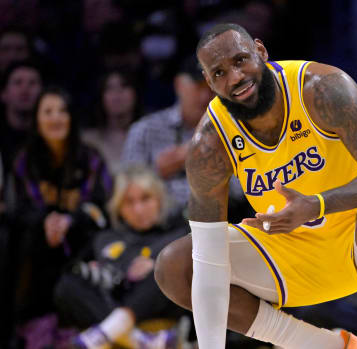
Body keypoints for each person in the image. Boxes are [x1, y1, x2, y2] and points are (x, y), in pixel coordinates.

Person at [154, 23, 357, 349]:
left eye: (240, 61)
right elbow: (208, 263)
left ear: (261, 51)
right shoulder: (209, 144)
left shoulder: (320, 88)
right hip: (294, 252)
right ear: (208, 82)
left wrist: (316, 204)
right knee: (176, 266)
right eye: (218, 73)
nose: (234, 78)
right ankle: (322, 346)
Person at [6, 87, 112, 336]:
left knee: (96, 236)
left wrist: (70, 220)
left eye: (63, 111)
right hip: (38, 242)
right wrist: (46, 221)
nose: (56, 118)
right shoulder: (24, 160)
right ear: (37, 120)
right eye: (48, 112)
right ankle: (24, 326)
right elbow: (19, 209)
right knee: (20, 237)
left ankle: (91, 322)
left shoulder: (91, 159)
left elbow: (101, 210)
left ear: (73, 118)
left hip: (81, 239)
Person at [54, 165, 188, 349]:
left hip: (156, 302)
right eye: (129, 202)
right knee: (66, 285)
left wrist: (157, 263)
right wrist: (97, 271)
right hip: (111, 300)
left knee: (169, 270)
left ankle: (111, 331)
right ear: (118, 207)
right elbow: (76, 271)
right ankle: (136, 338)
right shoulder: (105, 238)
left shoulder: (180, 233)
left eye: (145, 198)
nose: (138, 209)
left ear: (159, 199)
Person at [121, 56, 213, 207]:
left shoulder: (230, 129)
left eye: (211, 87)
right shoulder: (145, 130)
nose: (206, 96)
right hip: (160, 224)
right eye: (198, 87)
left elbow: (245, 189)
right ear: (178, 86)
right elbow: (125, 187)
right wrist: (157, 170)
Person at [82, 70, 142, 174]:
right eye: (109, 88)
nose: (117, 94)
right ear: (101, 96)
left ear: (135, 93)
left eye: (124, 86)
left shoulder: (151, 135)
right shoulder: (87, 141)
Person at [0, 59, 43, 178]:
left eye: (32, 83)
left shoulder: (52, 138)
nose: (25, 89)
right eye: (18, 82)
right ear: (3, 94)